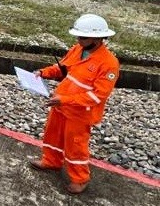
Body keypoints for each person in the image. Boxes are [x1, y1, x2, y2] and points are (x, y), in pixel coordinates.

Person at [29, 13, 120, 195]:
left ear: (98, 38)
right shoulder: (77, 49)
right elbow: (62, 68)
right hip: (60, 104)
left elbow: (97, 96)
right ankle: (51, 161)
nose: (78, 40)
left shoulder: (109, 64)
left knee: (76, 146)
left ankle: (80, 179)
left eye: (83, 37)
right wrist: (43, 73)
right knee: (52, 135)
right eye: (78, 36)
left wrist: (65, 99)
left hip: (80, 112)